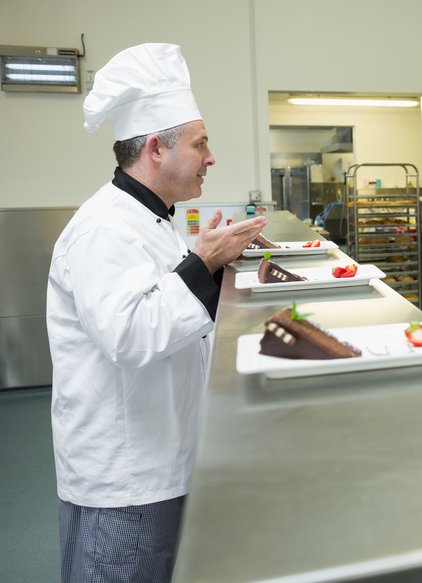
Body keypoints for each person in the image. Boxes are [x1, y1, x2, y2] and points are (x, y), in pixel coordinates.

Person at [47, 43, 268, 583]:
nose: (211, 158)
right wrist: (205, 262)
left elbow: (170, 309)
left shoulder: (152, 219)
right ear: (155, 149)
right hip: (125, 478)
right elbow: (131, 336)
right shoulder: (105, 227)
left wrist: (214, 269)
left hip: (159, 458)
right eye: (201, 144)